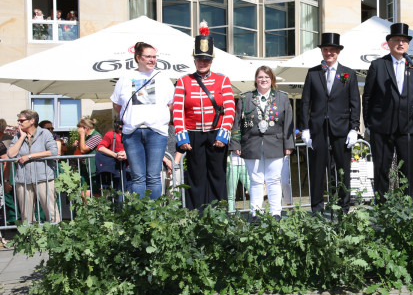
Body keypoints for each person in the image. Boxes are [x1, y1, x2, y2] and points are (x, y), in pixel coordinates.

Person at [362, 22, 413, 200]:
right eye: (397, 40)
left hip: (408, 127)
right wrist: (368, 123)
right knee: (381, 169)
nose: (401, 43)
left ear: (408, 44)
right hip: (382, 127)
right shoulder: (378, 65)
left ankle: (405, 207)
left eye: (404, 40)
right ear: (389, 43)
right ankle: (382, 206)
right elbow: (367, 96)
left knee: (407, 170)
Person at [173, 22, 235, 211]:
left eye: (206, 60)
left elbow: (230, 109)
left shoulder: (223, 80)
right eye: (199, 59)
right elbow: (177, 111)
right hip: (193, 134)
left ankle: (219, 214)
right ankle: (196, 215)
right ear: (194, 60)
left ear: (211, 61)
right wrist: (181, 136)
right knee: (196, 177)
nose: (202, 62)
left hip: (216, 133)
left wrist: (223, 134)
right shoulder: (183, 81)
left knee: (217, 175)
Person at [299, 32, 361, 215]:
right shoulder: (313, 73)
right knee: (317, 170)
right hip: (318, 128)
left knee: (343, 169)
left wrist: (354, 128)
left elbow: (355, 103)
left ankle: (343, 207)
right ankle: (317, 209)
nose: (329, 53)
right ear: (322, 51)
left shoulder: (348, 74)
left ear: (338, 52)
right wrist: (305, 129)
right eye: (326, 50)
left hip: (341, 128)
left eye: (332, 50)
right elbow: (304, 102)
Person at [111, 41, 175, 200]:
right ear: (138, 57)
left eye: (154, 57)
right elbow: (117, 105)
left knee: (153, 176)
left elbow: (171, 105)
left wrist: (156, 119)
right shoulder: (125, 78)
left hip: (156, 132)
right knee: (138, 177)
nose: (152, 60)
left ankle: (152, 216)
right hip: (132, 132)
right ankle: (139, 215)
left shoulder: (163, 78)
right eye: (148, 57)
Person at [230, 66, 294, 217]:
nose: (263, 80)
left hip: (276, 144)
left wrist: (289, 145)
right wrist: (235, 143)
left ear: (272, 80)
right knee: (256, 180)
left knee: (273, 180)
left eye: (267, 77)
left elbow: (288, 123)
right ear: (256, 80)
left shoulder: (282, 97)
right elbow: (237, 122)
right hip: (252, 144)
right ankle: (255, 213)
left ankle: (276, 213)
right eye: (260, 77)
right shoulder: (246, 98)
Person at [7, 110, 60, 224]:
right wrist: (21, 137)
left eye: (21, 120)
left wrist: (29, 156)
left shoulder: (45, 133)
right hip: (23, 179)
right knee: (26, 215)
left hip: (43, 178)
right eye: (18, 120)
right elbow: (10, 154)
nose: (19, 123)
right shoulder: (18, 136)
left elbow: (53, 152)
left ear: (32, 121)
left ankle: (57, 237)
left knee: (51, 212)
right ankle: (30, 239)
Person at [96, 119, 128, 193]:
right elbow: (100, 147)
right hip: (117, 170)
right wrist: (116, 155)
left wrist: (127, 154)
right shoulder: (111, 134)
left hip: (131, 169)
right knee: (119, 194)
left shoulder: (132, 135)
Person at [74, 117, 103, 196]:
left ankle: (97, 208)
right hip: (85, 168)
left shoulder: (96, 136)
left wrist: (82, 135)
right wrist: (78, 145)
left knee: (95, 191)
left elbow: (84, 150)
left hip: (94, 169)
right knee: (84, 189)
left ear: (86, 128)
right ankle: (85, 207)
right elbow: (82, 149)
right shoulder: (87, 136)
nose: (78, 131)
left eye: (80, 128)